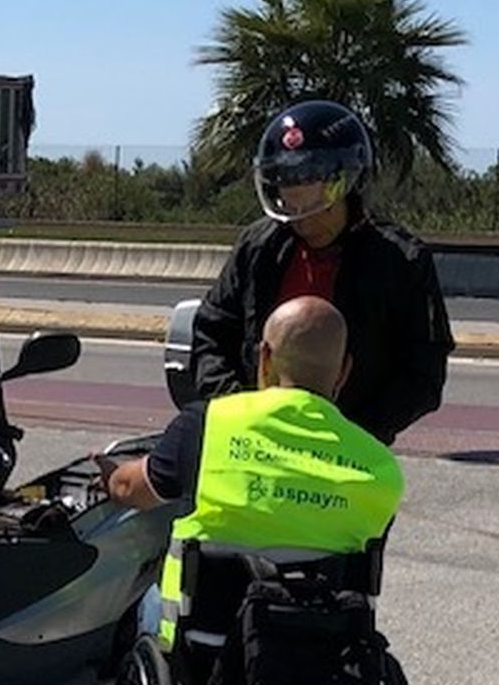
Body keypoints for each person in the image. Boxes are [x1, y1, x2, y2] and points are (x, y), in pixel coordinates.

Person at [107, 295, 404, 685]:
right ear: (343, 371)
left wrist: (114, 478)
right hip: (314, 640)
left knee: (151, 610)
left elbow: (138, 488)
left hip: (204, 628)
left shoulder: (210, 425)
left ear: (263, 358)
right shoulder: (378, 465)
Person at [189, 99, 454, 445]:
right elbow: (212, 332)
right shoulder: (257, 248)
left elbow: (423, 373)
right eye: (287, 194)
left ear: (344, 184)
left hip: (348, 446)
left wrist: (351, 434)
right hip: (253, 441)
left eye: (311, 198)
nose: (300, 215)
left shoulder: (401, 261)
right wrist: (238, 409)